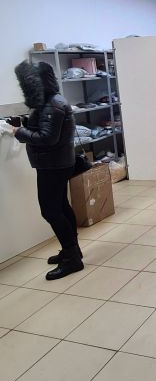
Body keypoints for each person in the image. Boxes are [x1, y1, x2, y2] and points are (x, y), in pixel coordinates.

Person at [6, 61, 84, 281]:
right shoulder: (49, 102)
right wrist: (25, 123)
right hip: (55, 163)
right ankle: (72, 250)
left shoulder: (53, 104)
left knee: (51, 211)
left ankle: (72, 258)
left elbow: (47, 138)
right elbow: (45, 129)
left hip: (53, 165)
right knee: (61, 207)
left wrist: (18, 132)